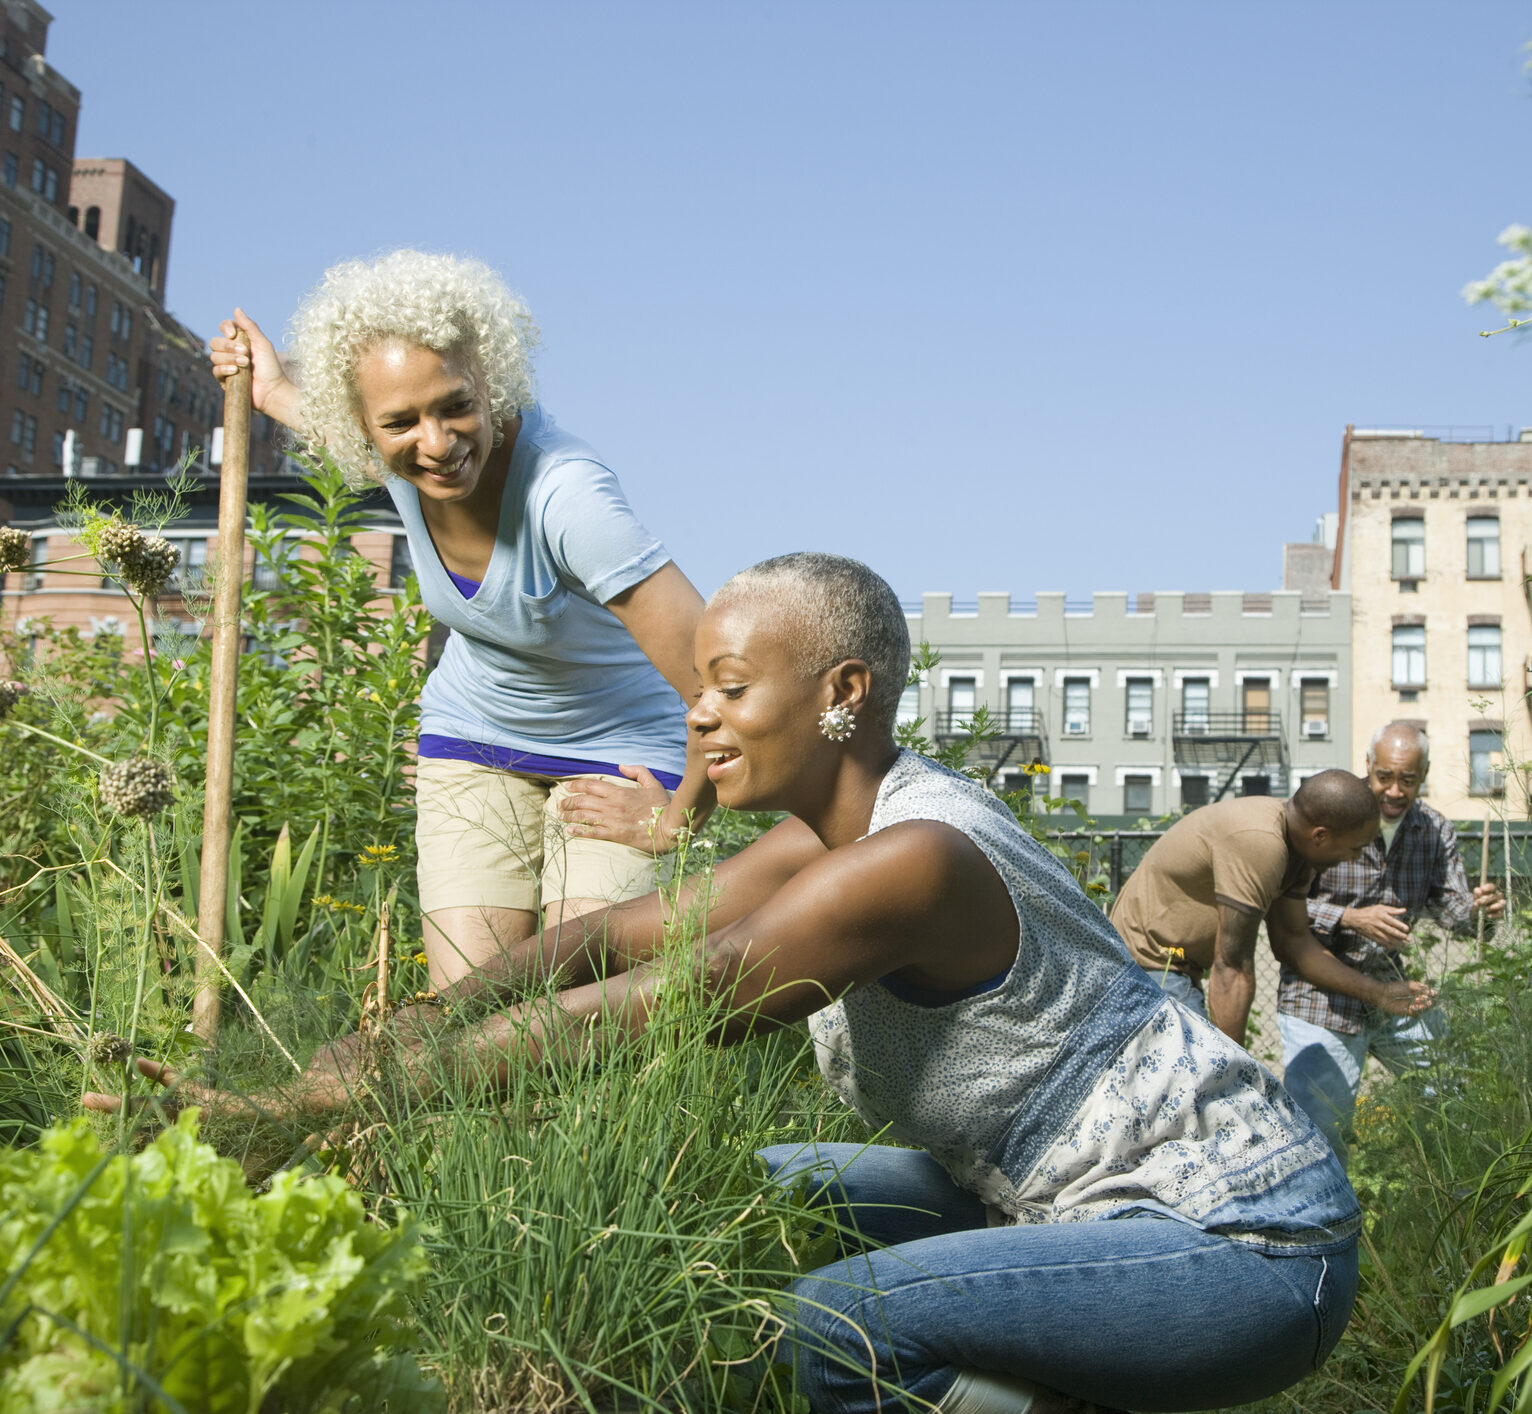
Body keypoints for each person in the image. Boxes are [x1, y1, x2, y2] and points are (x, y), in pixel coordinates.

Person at [92, 553, 1362, 1414]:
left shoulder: (911, 859)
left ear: (841, 694)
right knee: (743, 1197)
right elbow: (600, 943)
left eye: (730, 686)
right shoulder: (822, 840)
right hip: (1062, 1204)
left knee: (832, 1321)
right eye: (696, 684)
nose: (697, 716)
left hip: (1241, 1246)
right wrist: (404, 1027)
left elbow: (666, 1002)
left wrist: (322, 1107)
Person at [208, 252, 712, 989]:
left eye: (456, 406)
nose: (437, 443)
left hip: (618, 749)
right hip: (474, 740)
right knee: (470, 1013)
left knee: (579, 1006)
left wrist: (678, 822)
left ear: (491, 382)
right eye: (402, 422)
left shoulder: (568, 501)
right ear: (363, 430)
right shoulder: (393, 451)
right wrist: (274, 387)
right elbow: (346, 417)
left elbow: (719, 687)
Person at [1279, 721, 1505, 1159]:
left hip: (1395, 992)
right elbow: (1278, 906)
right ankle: (1321, 1224)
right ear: (1368, 767)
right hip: (1320, 995)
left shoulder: (1435, 829)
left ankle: (1437, 1202)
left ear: (1425, 774)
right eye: (1385, 777)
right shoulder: (1327, 812)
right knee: (1320, 1132)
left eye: (1408, 779)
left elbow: (1454, 911)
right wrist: (1348, 917)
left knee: (1453, 1101)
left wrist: (1480, 912)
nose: (1395, 791)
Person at [1111, 777, 1435, 1045]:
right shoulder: (1261, 843)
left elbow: (1295, 943)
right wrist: (1236, 1078)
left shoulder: (1298, 852)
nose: (1355, 858)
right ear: (1320, 835)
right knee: (1195, 1086)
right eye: (1355, 848)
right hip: (1147, 966)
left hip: (1174, 968)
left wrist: (1380, 993)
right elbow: (1232, 966)